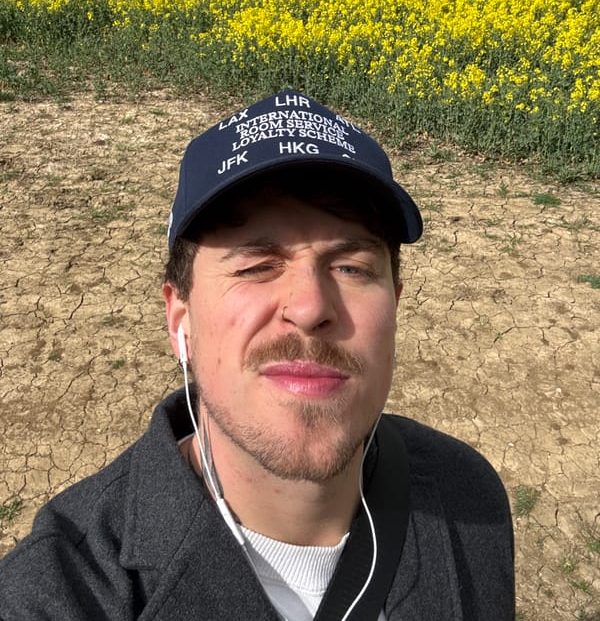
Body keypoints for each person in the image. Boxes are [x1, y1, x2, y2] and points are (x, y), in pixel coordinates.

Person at [0, 89, 515, 620]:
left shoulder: (469, 498)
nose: (311, 306)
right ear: (180, 317)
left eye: (353, 267)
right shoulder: (58, 594)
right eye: (256, 265)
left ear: (396, 304)